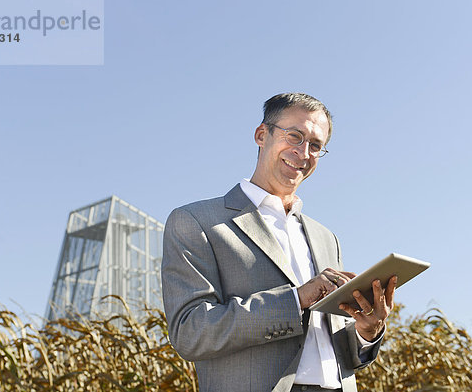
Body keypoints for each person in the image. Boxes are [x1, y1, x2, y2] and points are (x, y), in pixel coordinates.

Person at [162, 93, 397, 392]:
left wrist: (367, 332)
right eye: (294, 136)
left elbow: (334, 351)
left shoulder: (327, 238)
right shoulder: (197, 222)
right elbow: (190, 332)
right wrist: (296, 300)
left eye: (315, 146)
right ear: (262, 135)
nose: (303, 152)